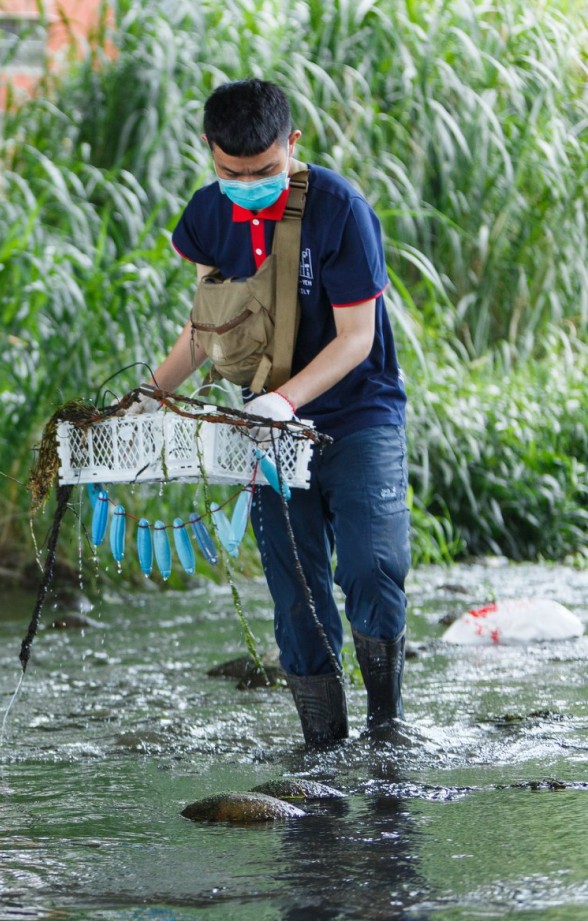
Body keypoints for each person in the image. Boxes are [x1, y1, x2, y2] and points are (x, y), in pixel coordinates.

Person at [129, 79, 409, 748]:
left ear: (293, 143)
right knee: (295, 596)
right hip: (264, 433)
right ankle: (323, 750)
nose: (249, 184)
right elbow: (208, 330)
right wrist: (148, 395)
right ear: (210, 150)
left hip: (357, 416)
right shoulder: (207, 216)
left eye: (265, 170)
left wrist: (287, 399)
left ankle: (387, 734)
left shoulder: (340, 211)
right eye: (232, 172)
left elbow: (357, 339)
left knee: (372, 568)